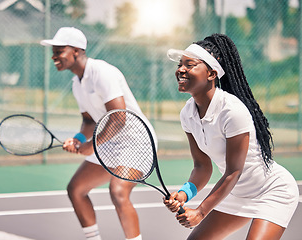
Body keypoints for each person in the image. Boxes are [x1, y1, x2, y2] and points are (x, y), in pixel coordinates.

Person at [163, 33, 299, 240]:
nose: (181, 70)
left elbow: (233, 172)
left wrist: (200, 212)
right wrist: (183, 195)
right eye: (180, 64)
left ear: (211, 74)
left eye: (190, 65)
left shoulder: (232, 111)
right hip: (237, 193)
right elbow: (202, 167)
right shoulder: (187, 113)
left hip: (271, 191)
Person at [40, 27, 153, 240]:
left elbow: (119, 117)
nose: (54, 56)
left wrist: (91, 146)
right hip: (110, 142)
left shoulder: (101, 72)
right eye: (53, 52)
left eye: (59, 51)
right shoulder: (77, 83)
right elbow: (89, 120)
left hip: (137, 142)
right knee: (76, 189)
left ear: (76, 51)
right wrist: (79, 139)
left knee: (118, 192)